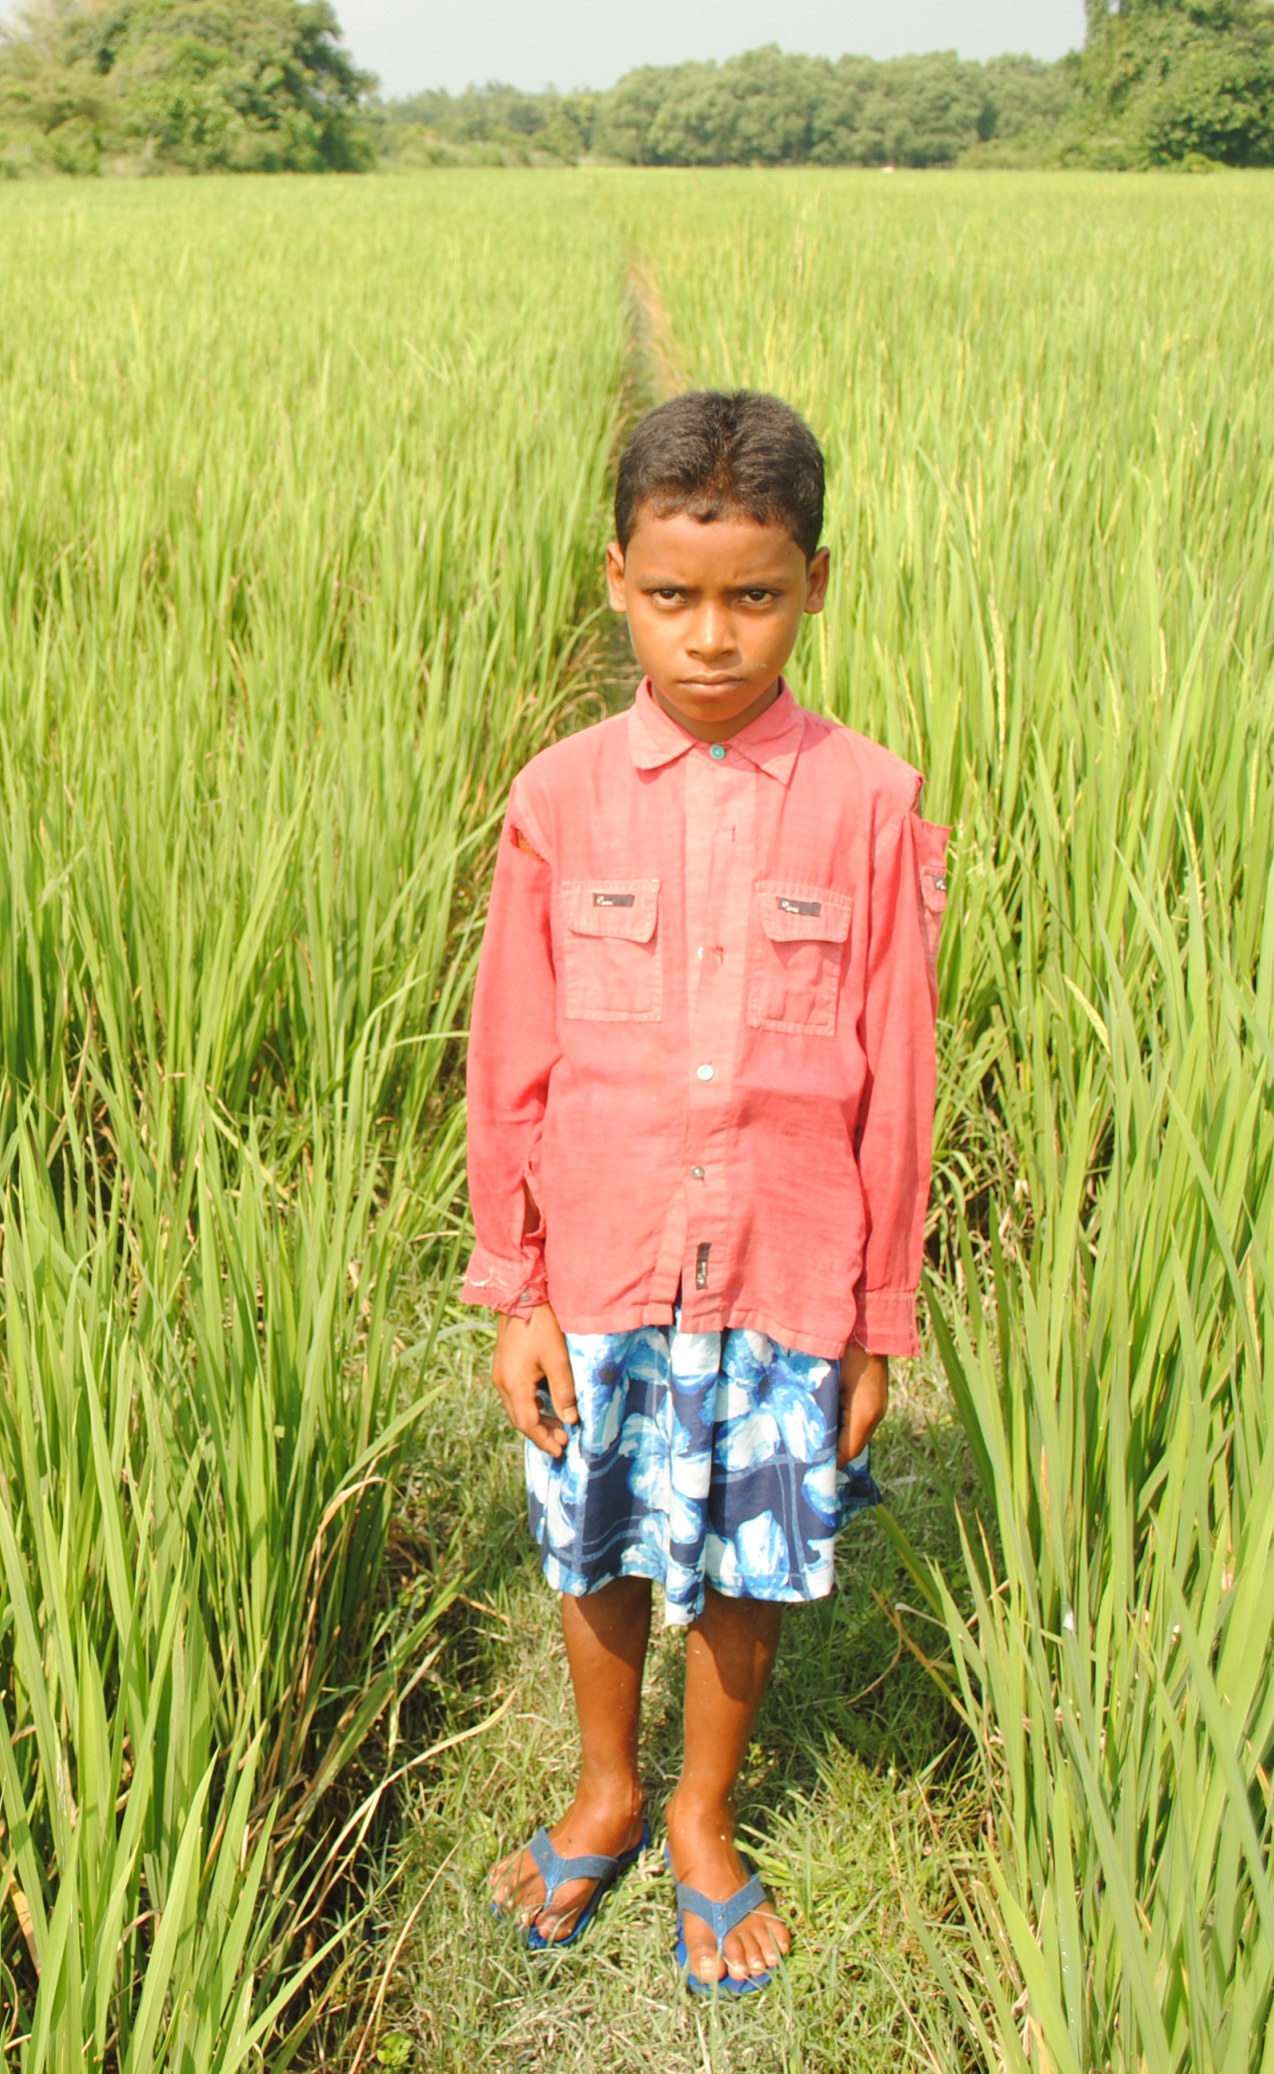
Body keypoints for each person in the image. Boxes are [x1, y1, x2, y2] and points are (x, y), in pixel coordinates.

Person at [466, 390, 948, 1991]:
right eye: (673, 597)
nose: (711, 636)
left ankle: (700, 1808)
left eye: (753, 594)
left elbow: (897, 1069)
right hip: (600, 1253)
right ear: (615, 580)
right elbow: (510, 1056)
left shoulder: (872, 802)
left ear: (818, 580)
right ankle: (604, 1783)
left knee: (751, 1555)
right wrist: (514, 1286)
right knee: (593, 1530)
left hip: (783, 1258)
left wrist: (874, 1320)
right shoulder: (557, 796)